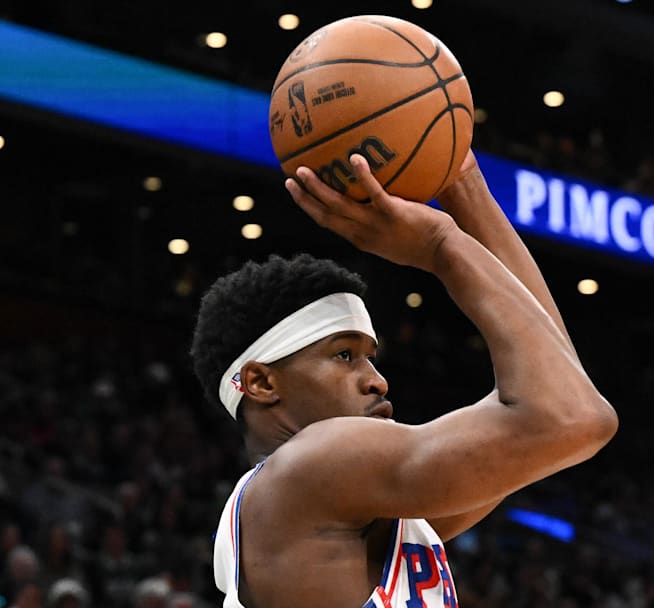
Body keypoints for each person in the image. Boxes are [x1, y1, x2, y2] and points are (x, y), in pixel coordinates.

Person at [189, 150, 618, 607]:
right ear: (261, 383)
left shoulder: (354, 511)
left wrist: (461, 181)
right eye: (344, 355)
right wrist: (439, 244)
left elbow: (562, 386)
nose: (377, 382)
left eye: (370, 358)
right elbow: (574, 417)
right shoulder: (307, 470)